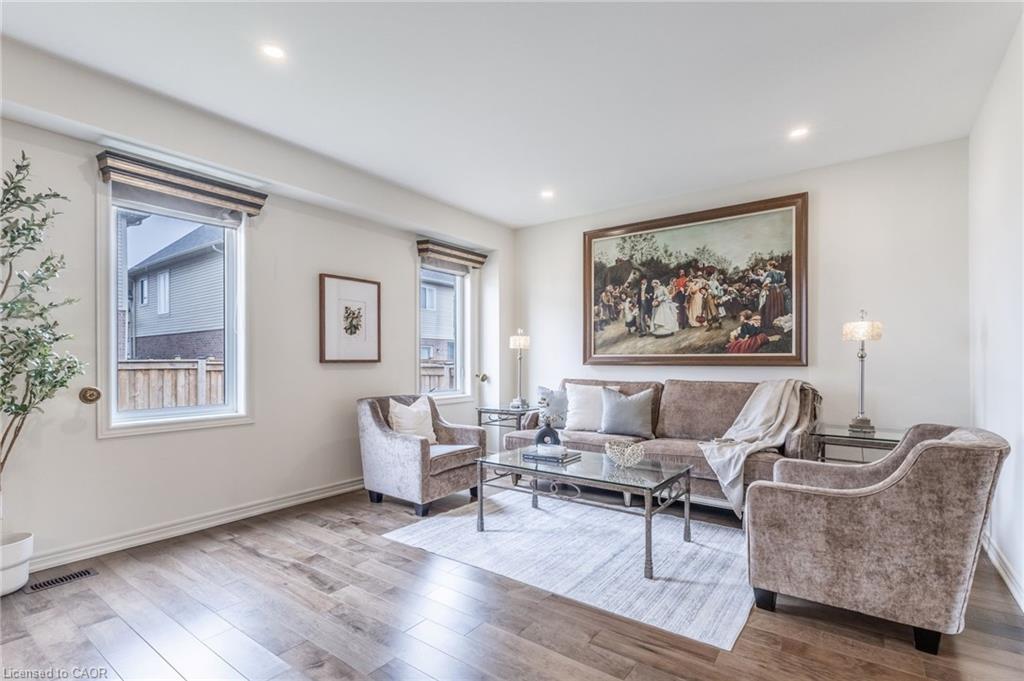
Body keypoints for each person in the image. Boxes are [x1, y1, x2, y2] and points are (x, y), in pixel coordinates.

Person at [759, 261, 787, 328]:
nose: (767, 267)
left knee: (770, 306)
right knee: (778, 306)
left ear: (771, 266)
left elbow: (766, 283)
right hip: (778, 292)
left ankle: (770, 324)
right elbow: (784, 282)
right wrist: (777, 285)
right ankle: (777, 324)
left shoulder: (770, 273)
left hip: (772, 292)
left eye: (767, 266)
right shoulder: (779, 273)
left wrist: (765, 285)